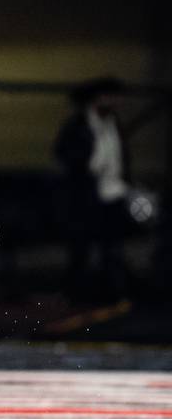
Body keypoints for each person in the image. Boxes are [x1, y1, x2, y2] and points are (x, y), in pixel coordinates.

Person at [54, 77, 133, 301]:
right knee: (82, 248)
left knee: (112, 248)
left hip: (113, 192)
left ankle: (111, 294)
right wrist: (84, 167)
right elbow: (65, 154)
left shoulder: (113, 123)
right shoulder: (79, 124)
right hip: (86, 195)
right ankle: (77, 296)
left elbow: (120, 155)